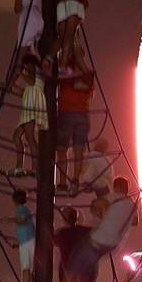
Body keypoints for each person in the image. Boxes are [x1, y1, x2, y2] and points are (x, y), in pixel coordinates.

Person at [67, 177, 137, 282]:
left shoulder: (114, 196)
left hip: (99, 238)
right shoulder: (132, 204)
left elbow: (96, 204)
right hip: (113, 245)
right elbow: (135, 221)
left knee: (75, 258)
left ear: (117, 187)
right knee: (91, 263)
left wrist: (100, 212)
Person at [56, 46, 95, 192]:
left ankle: (62, 183)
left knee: (61, 150)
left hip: (66, 113)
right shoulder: (88, 74)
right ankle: (75, 180)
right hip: (83, 115)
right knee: (78, 152)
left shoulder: (66, 73)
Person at [11, 54, 47, 177]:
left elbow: (31, 82)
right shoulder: (33, 74)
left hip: (31, 108)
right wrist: (14, 87)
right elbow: (26, 92)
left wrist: (20, 73)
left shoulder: (35, 71)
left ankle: (34, 168)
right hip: (28, 107)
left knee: (30, 137)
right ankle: (20, 166)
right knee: (17, 136)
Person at [54, 207, 92, 282]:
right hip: (85, 271)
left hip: (68, 272)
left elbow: (52, 241)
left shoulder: (62, 233)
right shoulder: (86, 231)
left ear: (64, 219)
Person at [8, 189, 35, 282]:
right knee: (31, 269)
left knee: (25, 267)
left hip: (26, 242)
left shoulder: (20, 210)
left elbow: (22, 219)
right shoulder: (26, 210)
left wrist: (10, 220)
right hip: (29, 241)